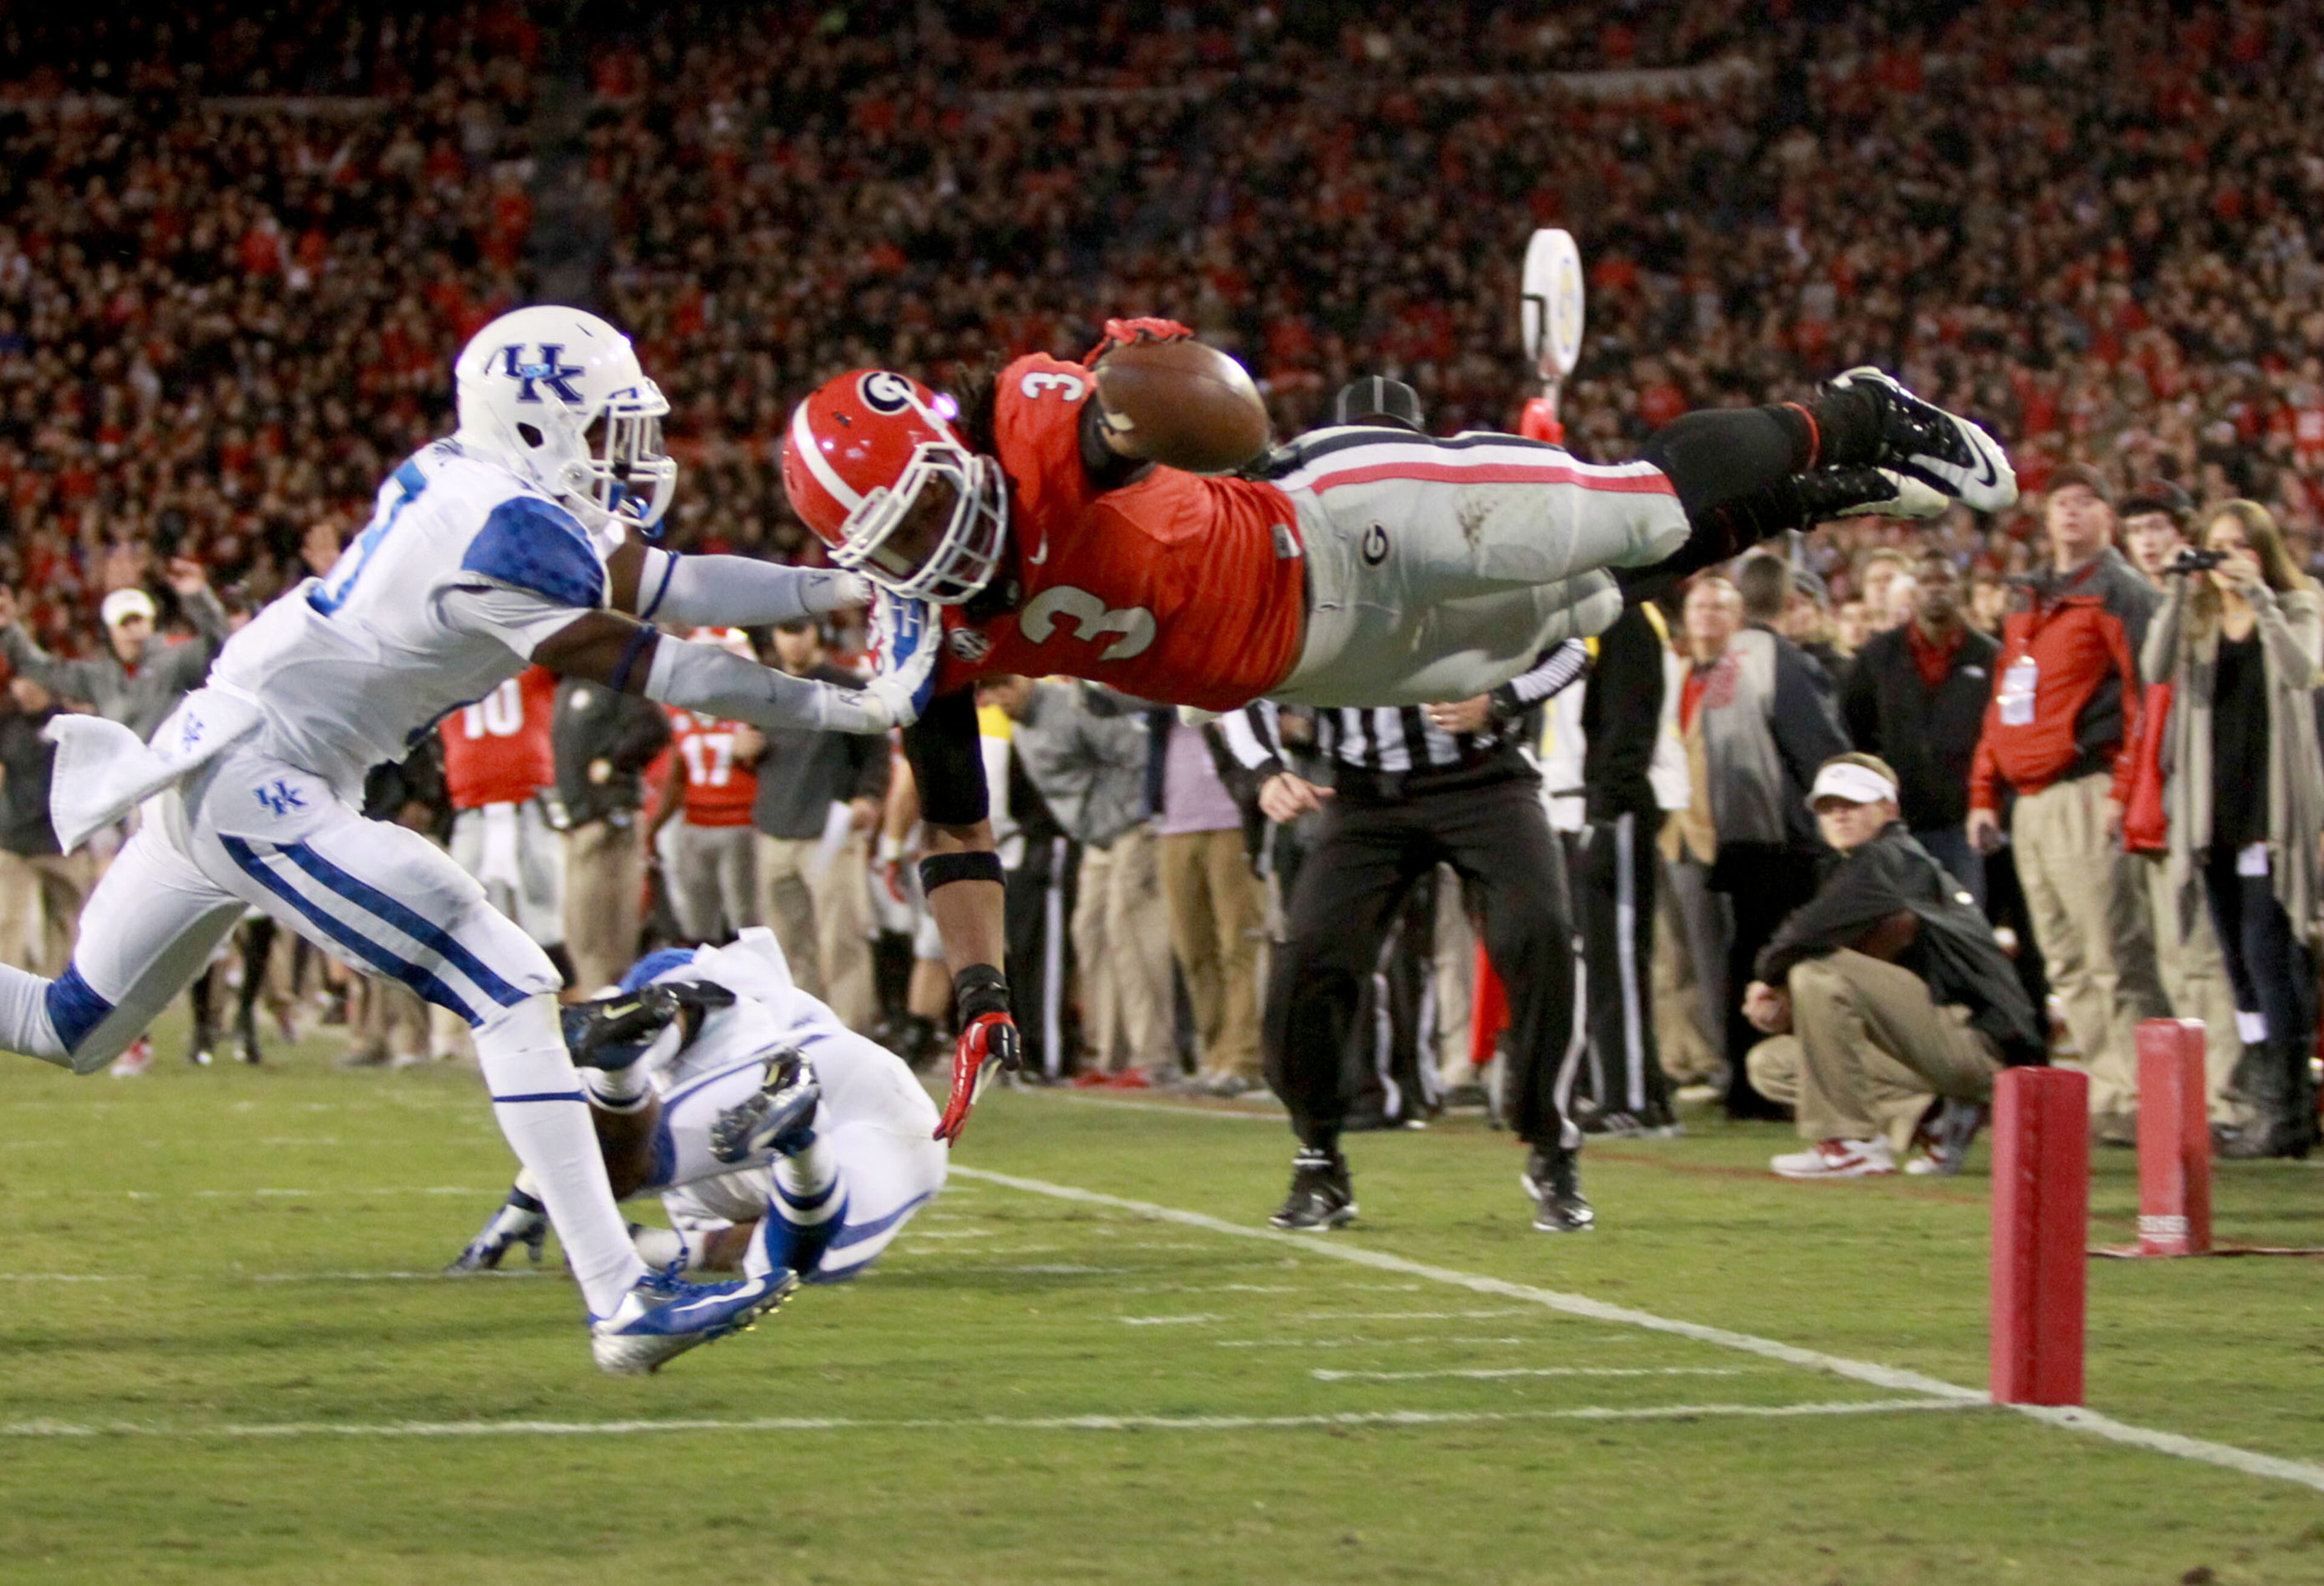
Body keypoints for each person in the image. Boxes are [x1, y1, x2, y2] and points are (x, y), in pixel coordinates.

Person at [784, 323, 2011, 1138]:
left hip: (1335, 522)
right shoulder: (928, 639)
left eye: (931, 504)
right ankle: (1817, 495)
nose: (934, 545)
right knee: (1587, 599)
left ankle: (1850, 416)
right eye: (897, 540)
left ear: (949, 451)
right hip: (1330, 664)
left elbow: (1213, 417)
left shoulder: (1039, 429)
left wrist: (1152, 402)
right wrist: (983, 984)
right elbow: (958, 827)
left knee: (1626, 512)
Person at [0, 305, 919, 1374]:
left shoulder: (488, 489)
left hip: (231, 756)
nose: (630, 453)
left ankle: (623, 1297)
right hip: (265, 779)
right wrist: (854, 705)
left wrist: (848, 584)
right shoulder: (505, 532)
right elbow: (666, 664)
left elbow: (675, 581)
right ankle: (622, 1300)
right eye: (607, 427)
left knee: (73, 1026)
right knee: (509, 980)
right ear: (539, 427)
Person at [1229, 633, 1594, 1231]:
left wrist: (1500, 699)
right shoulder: (1317, 588)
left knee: (1541, 935)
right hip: (1365, 794)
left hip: (1486, 782)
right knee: (1310, 960)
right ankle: (1318, 1154)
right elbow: (1237, 678)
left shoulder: (1479, 573)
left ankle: (1554, 1149)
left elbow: (1572, 645)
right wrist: (1267, 772)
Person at [450, 928, 945, 1287]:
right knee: (788, 1257)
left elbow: (689, 997)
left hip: (822, 1080)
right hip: (854, 1094)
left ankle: (626, 1075)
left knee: (804, 1257)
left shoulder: (716, 999)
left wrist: (531, 1203)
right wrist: (642, 1243)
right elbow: (725, 1247)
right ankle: (798, 1136)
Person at [1966, 465, 2167, 1142]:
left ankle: (2141, 1093)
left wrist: (2124, 789)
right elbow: (2005, 699)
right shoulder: (2028, 595)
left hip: (2087, 787)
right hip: (2030, 800)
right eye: (2061, 503)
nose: (2072, 513)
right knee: (2066, 958)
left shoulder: (2121, 591)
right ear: (2046, 517)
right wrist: (1984, 791)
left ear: (2107, 516)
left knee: (2113, 950)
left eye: (2086, 502)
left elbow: (2145, 697)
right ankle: (2109, 1090)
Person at [1742, 755, 2046, 1178]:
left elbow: (1802, 938)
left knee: (1816, 971)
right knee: (1773, 1064)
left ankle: (1853, 1144)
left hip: (1978, 1042)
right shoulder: (1873, 865)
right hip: (1938, 1046)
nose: (1839, 815)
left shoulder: (1890, 857)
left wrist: (1767, 979)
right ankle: (1933, 1117)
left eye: (1853, 803)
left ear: (1889, 809)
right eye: (1829, 807)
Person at [2143, 501, 2324, 1158]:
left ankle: (2289, 1108)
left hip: (2271, 811)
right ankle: (2265, 1103)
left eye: (2241, 546)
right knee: (2239, 965)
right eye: (2218, 546)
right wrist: (2174, 591)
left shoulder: (2300, 605)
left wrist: (2263, 602)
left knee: (2270, 955)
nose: (2228, 559)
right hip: (2213, 810)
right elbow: (2153, 669)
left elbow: (2303, 670)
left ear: (2263, 551)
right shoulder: (2197, 618)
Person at [1666, 572, 1851, 1118]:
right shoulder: (1777, 662)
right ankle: (1766, 1087)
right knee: (1776, 964)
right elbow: (1821, 754)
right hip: (1777, 839)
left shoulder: (1731, 664)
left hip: (1743, 839)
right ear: (1790, 603)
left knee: (1746, 960)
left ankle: (1748, 1085)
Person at [2115, 478, 2245, 1125]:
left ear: (2185, 533)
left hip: (2198, 808)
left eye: (2158, 528)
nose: (2148, 543)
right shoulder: (2159, 609)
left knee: (2204, 961)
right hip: (2153, 808)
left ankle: (2228, 1099)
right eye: (2137, 531)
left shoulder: (2210, 610)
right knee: (2173, 962)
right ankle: (2198, 1100)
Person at [980, 675, 1169, 1081]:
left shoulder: (1073, 705)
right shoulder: (1022, 724)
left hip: (1130, 828)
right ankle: (1111, 1056)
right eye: (989, 690)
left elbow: (1137, 751)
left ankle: (1152, 1057)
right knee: (1090, 934)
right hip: (1095, 839)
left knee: (1130, 935)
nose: (998, 697)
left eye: (1001, 685)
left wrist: (1122, 812)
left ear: (1023, 678)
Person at [743, 618, 889, 1031]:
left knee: (842, 941)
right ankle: (800, 1031)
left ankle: (851, 1032)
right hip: (776, 828)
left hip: (831, 830)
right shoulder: (766, 686)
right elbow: (754, 746)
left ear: (817, 632)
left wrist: (869, 796)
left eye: (800, 630)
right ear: (774, 636)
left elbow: (876, 752)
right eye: (785, 632)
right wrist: (745, 751)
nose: (793, 641)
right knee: (787, 945)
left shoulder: (846, 686)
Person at [1841, 549, 2000, 905]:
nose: (1936, 589)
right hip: (1897, 821)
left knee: (1963, 921)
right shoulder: (1879, 655)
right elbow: (1853, 729)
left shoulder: (1989, 656)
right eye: (1927, 581)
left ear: (1961, 589)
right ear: (1914, 590)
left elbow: (2002, 736)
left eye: (1946, 580)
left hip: (1963, 821)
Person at [441, 663, 575, 988]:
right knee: (474, 923)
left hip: (527, 804)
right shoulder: (446, 665)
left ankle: (561, 1004)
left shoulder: (530, 659)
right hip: (475, 810)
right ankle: (492, 1008)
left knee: (546, 923)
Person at [0, 562, 228, 742]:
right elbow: (38, 668)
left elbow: (223, 649)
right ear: (110, 632)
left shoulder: (178, 658)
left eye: (139, 620)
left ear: (152, 624)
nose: (133, 630)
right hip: (132, 782)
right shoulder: (98, 677)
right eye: (124, 623)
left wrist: (199, 598)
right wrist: (8, 627)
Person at [554, 672, 673, 994]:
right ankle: (599, 1003)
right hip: (580, 822)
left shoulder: (615, 680)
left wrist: (614, 761)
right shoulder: (568, 683)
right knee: (582, 934)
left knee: (607, 935)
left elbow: (655, 728)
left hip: (609, 820)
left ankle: (614, 1005)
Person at [650, 629, 764, 946]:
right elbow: (674, 778)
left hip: (744, 825)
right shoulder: (674, 713)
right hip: (694, 824)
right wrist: (654, 827)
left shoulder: (755, 711)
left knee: (747, 922)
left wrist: (760, 751)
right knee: (698, 923)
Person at [0, 675, 87, 979]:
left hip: (64, 841)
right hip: (15, 840)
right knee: (7, 921)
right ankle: (7, 996)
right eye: (19, 682)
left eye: (33, 681)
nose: (25, 689)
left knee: (68, 923)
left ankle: (59, 993)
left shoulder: (75, 724)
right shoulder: (7, 725)